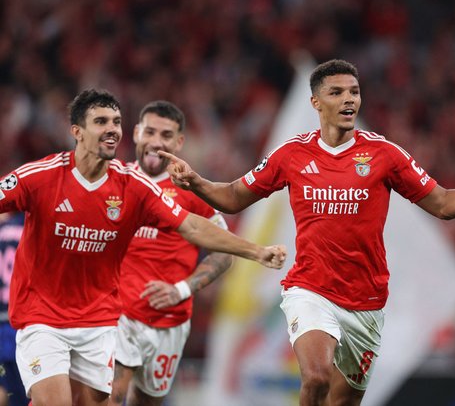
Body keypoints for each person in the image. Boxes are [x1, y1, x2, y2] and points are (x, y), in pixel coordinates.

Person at [159, 59, 455, 405]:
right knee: (315, 376)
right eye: (337, 92)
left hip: (366, 299)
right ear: (316, 103)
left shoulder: (385, 155)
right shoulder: (291, 155)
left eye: (354, 91)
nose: (349, 99)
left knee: (344, 401)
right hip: (309, 289)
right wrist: (196, 182)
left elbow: (444, 204)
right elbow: (233, 197)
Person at [0, 89, 286, 406]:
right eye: (100, 122)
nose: (111, 129)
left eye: (116, 121)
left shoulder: (134, 188)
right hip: (45, 318)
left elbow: (192, 226)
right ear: (77, 132)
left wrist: (254, 251)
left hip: (99, 323)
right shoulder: (41, 177)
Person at [108, 100, 234, 406]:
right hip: (116, 312)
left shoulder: (193, 191)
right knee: (111, 395)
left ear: (179, 142)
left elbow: (224, 252)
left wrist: (181, 289)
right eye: (149, 131)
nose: (156, 141)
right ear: (136, 133)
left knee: (147, 402)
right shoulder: (112, 180)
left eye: (166, 135)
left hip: (170, 320)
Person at [0, 212, 29, 406]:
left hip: (2, 321)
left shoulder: (3, 229)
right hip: (26, 321)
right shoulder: (30, 227)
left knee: (6, 389)